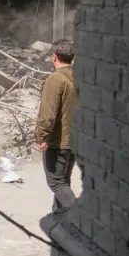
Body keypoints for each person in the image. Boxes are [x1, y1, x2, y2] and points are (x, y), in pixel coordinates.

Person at [35, 39, 79, 216]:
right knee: (64, 180)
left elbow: (48, 113)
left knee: (56, 182)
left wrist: (42, 136)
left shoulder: (56, 79)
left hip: (59, 141)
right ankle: (60, 220)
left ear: (54, 57)